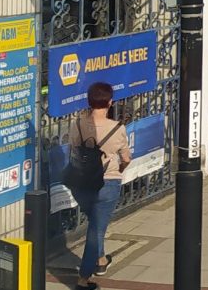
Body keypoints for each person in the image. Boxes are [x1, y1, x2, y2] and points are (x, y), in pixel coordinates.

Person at [69, 82, 132, 290]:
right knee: (96, 228)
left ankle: (101, 260)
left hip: (81, 184)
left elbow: (74, 148)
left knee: (97, 223)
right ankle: (83, 278)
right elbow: (126, 158)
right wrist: (118, 170)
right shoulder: (117, 129)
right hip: (107, 183)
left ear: (89, 101)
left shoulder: (76, 124)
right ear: (110, 102)